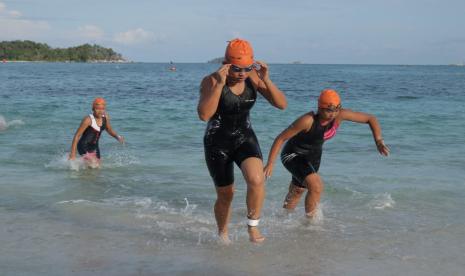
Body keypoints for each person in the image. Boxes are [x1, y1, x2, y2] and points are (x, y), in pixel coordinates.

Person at [197, 38, 287, 243]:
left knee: (257, 179)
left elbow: (281, 105)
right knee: (226, 194)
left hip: (244, 136)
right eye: (237, 69)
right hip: (217, 142)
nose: (242, 74)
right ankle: (223, 234)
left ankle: (252, 227)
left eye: (247, 68)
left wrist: (267, 80)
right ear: (226, 64)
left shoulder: (253, 78)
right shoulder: (211, 81)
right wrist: (220, 85)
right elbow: (204, 115)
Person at [264, 89, 389, 220]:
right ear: (320, 108)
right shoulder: (307, 120)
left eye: (336, 109)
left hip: (313, 156)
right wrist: (270, 163)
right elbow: (280, 138)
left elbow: (370, 118)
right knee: (316, 186)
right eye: (329, 110)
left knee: (297, 190)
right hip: (293, 154)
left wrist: (379, 141)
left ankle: (283, 220)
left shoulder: (340, 115)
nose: (333, 114)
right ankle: (311, 224)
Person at [69, 98, 124, 168]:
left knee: (97, 167)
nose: (100, 111)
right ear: (93, 109)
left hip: (95, 146)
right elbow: (77, 135)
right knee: (92, 164)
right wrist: (72, 154)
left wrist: (117, 137)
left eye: (102, 109)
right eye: (97, 109)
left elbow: (109, 129)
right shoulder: (88, 120)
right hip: (83, 146)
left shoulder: (105, 117)